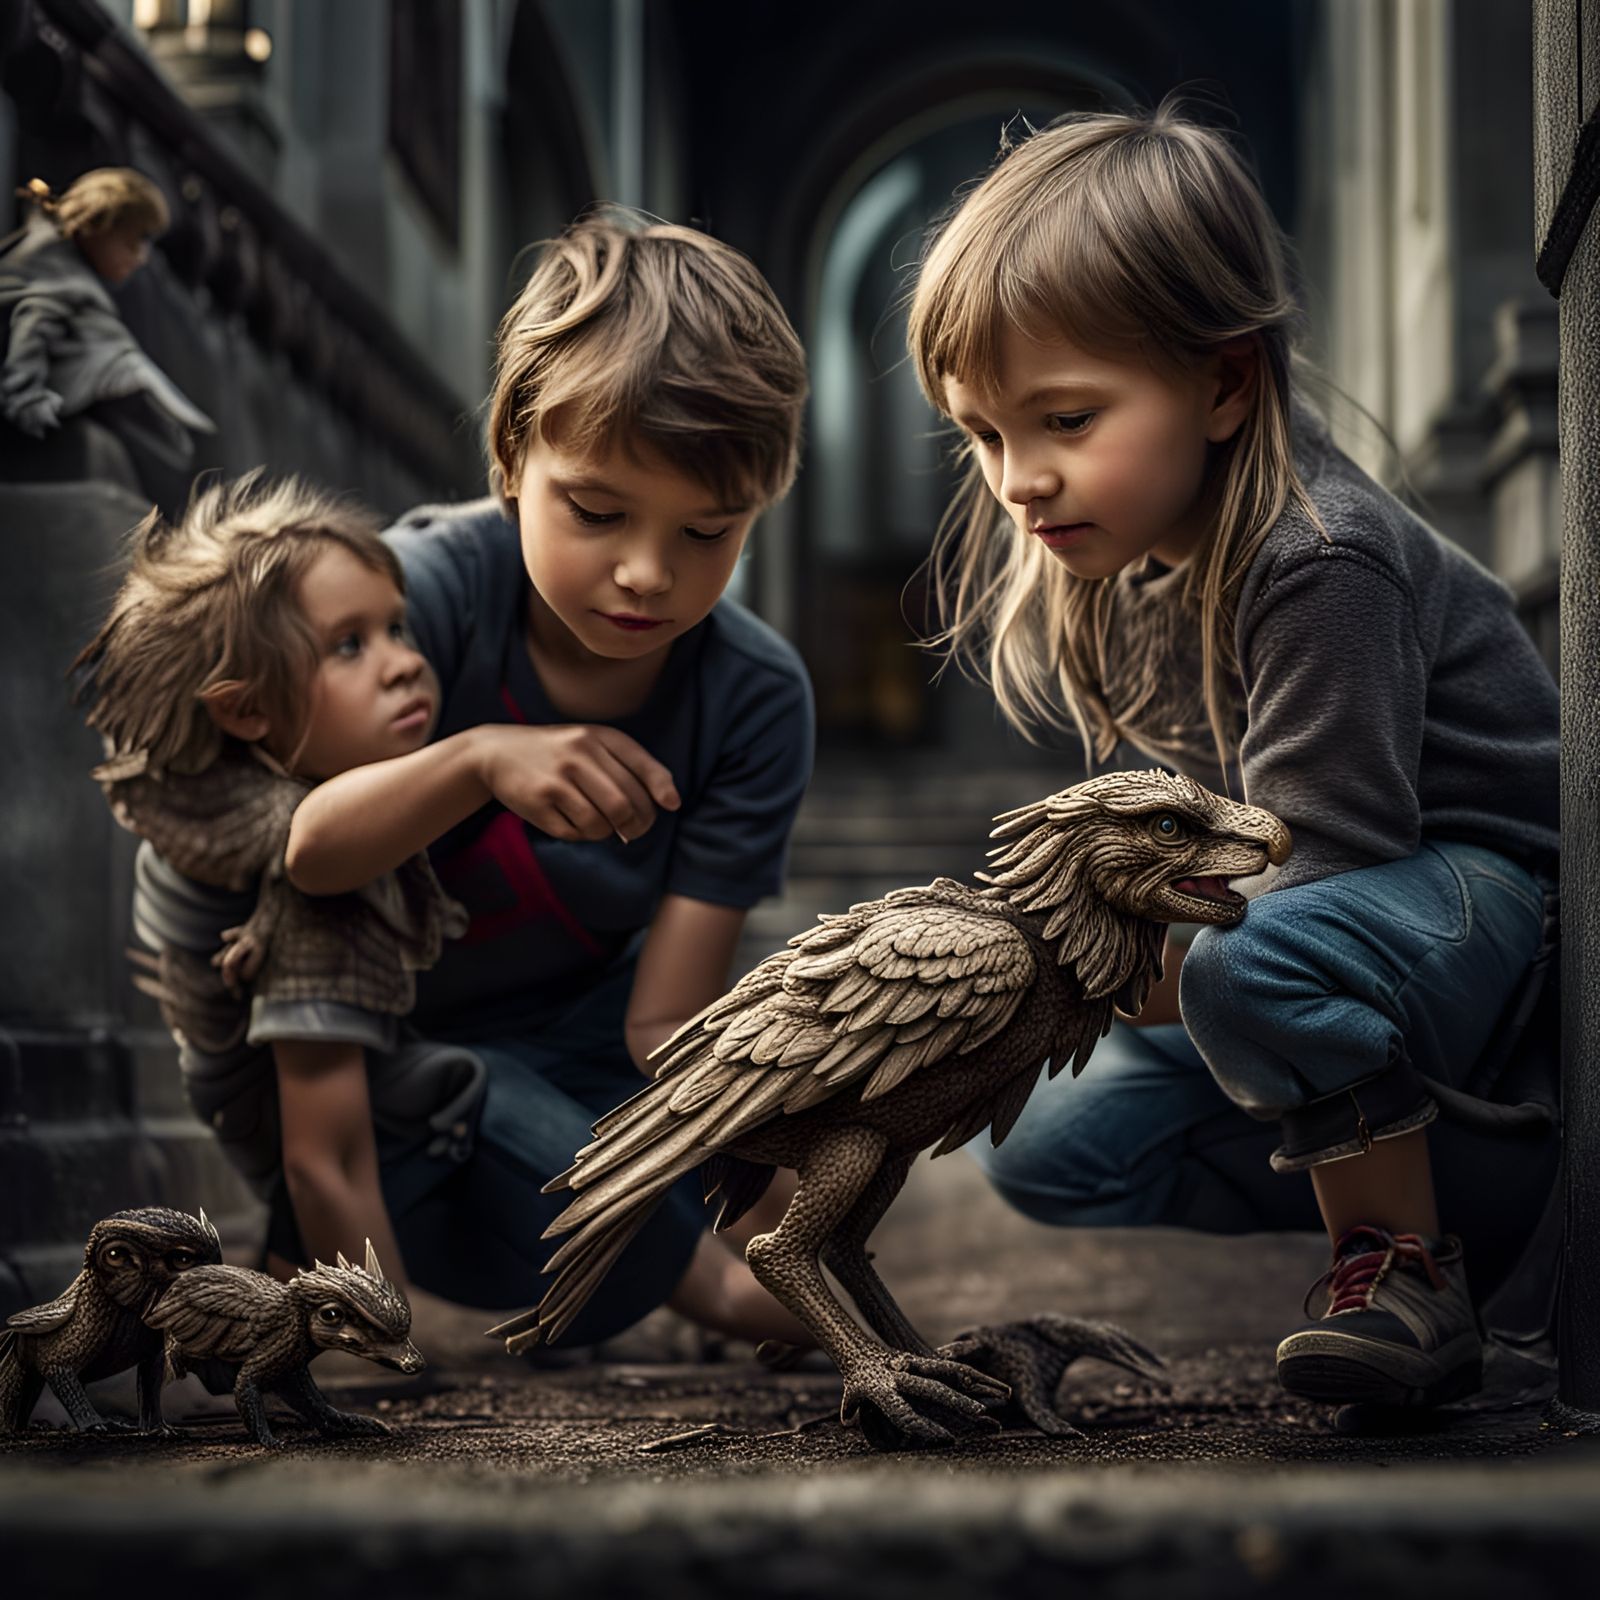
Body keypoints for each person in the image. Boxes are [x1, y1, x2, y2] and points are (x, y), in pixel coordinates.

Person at [902, 100, 1560, 1411]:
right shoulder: (1128, 571)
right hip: (1334, 933)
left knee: (1247, 962)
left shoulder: (1321, 561)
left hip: (1496, 909)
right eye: (984, 436)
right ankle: (1477, 1194)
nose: (1019, 479)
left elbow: (1321, 858)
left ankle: (1402, 1266)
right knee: (1039, 1136)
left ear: (1222, 379)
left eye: (1066, 420)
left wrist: (1110, 967)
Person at [284, 213, 816, 1349]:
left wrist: (795, 1247)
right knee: (433, 1079)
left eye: (706, 531)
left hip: (575, 1049)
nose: (645, 574)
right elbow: (299, 853)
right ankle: (320, 1263)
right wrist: (478, 759)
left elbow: (666, 1022)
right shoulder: (414, 599)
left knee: (773, 1109)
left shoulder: (753, 698)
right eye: (597, 511)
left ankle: (698, 1277)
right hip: (365, 1051)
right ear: (515, 457)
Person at [75, 471, 471, 1295]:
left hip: (270, 1074)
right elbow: (324, 1160)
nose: (407, 664)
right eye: (351, 645)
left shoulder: (260, 794)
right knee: (452, 1105)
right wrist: (390, 1336)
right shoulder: (317, 884)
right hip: (272, 1091)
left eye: (397, 627)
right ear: (246, 711)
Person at [1, 170, 212, 472]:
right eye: (131, 244)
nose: (140, 258)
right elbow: (33, 321)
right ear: (95, 227)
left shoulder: (46, 251)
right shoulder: (65, 280)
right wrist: (27, 400)